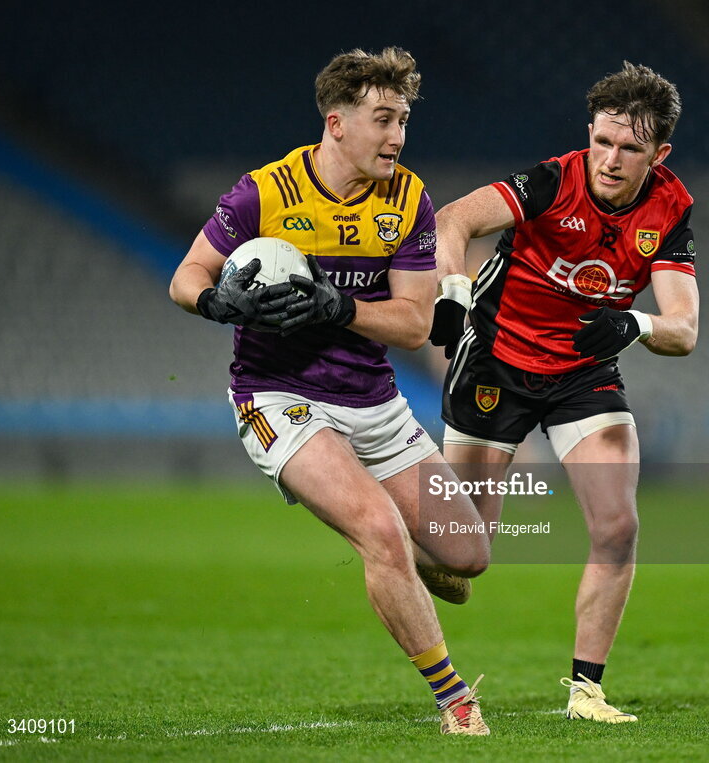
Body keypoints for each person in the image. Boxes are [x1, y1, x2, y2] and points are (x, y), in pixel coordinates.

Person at [168, 47, 490, 735]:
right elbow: (186, 276)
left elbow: (414, 323)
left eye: (403, 119)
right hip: (276, 394)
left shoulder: (408, 199)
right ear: (336, 121)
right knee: (378, 529)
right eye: (384, 119)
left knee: (468, 554)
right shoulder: (265, 191)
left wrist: (337, 308)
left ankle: (387, 543)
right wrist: (218, 303)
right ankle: (456, 700)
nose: (398, 136)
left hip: (372, 399)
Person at [429, 61, 699, 723]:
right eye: (602, 140)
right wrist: (452, 294)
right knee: (465, 558)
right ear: (589, 133)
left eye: (629, 147)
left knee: (618, 525)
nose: (610, 159)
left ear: (658, 153)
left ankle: (587, 691)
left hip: (584, 372)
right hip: (496, 359)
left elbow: (684, 328)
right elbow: (454, 220)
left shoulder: (670, 206)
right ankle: (395, 532)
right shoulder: (551, 180)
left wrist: (631, 323)